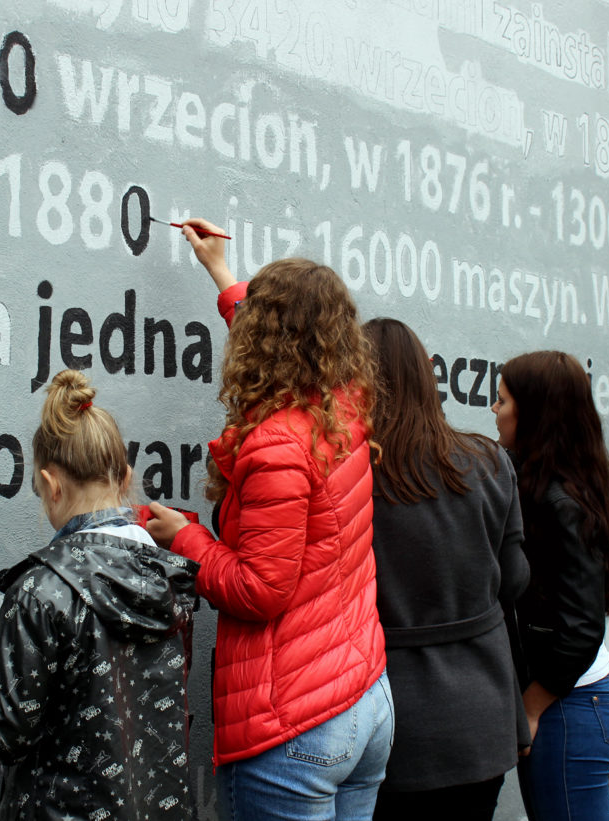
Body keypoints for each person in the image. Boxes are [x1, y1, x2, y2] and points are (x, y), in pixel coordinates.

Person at [146, 219, 393, 821]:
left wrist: (186, 539)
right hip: (362, 699)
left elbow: (260, 588)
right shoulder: (347, 404)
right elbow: (289, 343)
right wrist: (223, 275)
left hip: (296, 726)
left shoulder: (277, 447)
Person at [0, 369, 199, 820]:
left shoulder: (40, 591)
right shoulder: (169, 578)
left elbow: (7, 731)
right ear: (123, 477)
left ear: (53, 484)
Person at [362, 318, 529, 821]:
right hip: (483, 713)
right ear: (426, 377)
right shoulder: (489, 460)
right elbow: (516, 579)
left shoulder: (356, 472)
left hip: (390, 717)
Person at [494, 350, 609, 821]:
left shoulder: (559, 501)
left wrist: (532, 708)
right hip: (574, 702)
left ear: (531, 414)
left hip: (570, 706)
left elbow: (581, 627)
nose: (493, 411)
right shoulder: (549, 483)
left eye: (501, 401)